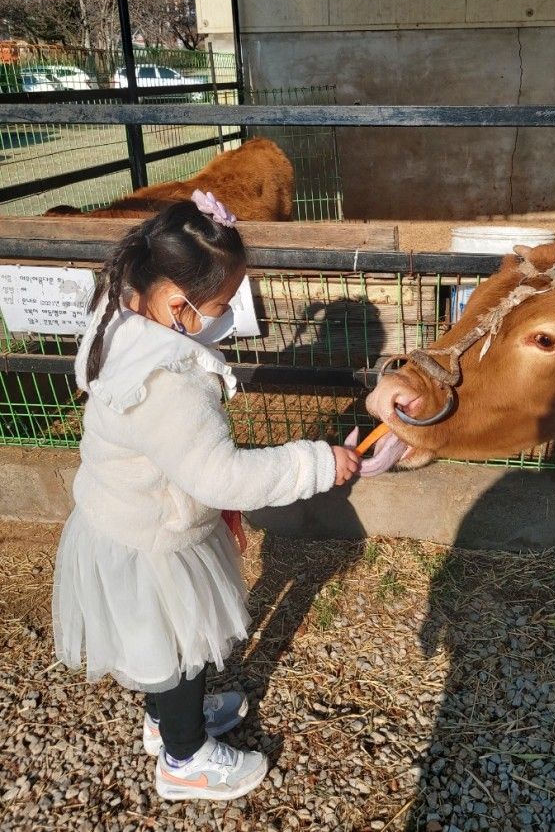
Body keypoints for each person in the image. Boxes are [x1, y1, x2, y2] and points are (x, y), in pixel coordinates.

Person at [52, 190, 360, 803]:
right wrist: (319, 461)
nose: (223, 317)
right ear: (176, 303)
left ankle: (167, 720)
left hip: (128, 517)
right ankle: (185, 759)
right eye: (219, 305)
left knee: (158, 640)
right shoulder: (168, 383)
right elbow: (221, 476)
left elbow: (185, 465)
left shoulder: (122, 315)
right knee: (182, 642)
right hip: (155, 540)